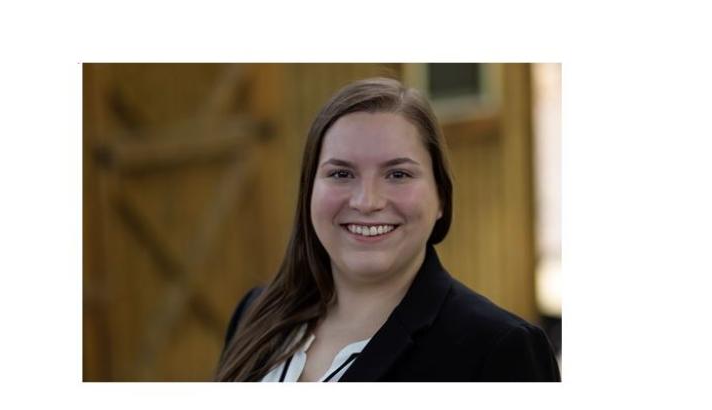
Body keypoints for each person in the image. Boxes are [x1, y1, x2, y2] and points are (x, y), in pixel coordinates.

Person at [214, 77, 560, 382]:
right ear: (309, 191)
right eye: (341, 173)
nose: (367, 201)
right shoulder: (255, 314)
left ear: (441, 197)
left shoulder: (498, 349)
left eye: (398, 174)